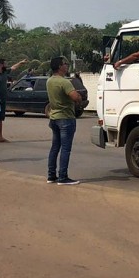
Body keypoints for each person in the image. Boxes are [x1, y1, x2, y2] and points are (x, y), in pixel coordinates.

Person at [47, 56, 83, 185]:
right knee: (65, 149)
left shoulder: (49, 81)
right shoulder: (65, 82)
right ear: (59, 66)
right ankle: (63, 177)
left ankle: (51, 175)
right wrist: (79, 97)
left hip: (54, 117)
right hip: (66, 118)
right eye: (65, 64)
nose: (67, 65)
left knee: (55, 148)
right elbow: (75, 97)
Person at [0, 58, 29, 143]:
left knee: (0, 119)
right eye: (5, 63)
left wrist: (21, 62)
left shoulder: (5, 72)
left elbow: (13, 67)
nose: (6, 65)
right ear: (1, 65)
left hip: (2, 100)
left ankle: (0, 137)